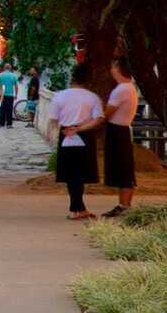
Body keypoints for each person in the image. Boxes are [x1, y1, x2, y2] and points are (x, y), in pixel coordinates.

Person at [50, 64, 105, 219]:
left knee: (70, 174)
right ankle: (77, 208)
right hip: (85, 135)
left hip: (65, 134)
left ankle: (77, 208)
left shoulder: (59, 96)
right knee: (80, 174)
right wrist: (79, 129)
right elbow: (98, 118)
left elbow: (53, 119)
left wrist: (64, 131)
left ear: (71, 79)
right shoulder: (92, 97)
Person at [101, 57, 139, 218]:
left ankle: (124, 205)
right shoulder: (128, 87)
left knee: (123, 169)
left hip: (118, 130)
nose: (111, 69)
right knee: (123, 168)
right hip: (121, 129)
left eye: (114, 66)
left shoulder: (122, 89)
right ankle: (123, 204)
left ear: (119, 68)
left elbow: (107, 113)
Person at [0, 63, 19, 128]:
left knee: (2, 109)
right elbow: (16, 86)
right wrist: (16, 94)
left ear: (4, 68)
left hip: (2, 95)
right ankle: (9, 124)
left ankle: (1, 124)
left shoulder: (0, 75)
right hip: (10, 95)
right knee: (9, 109)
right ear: (10, 68)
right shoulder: (14, 76)